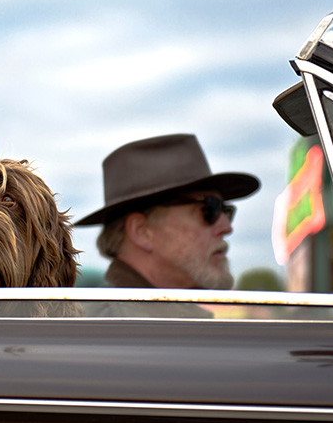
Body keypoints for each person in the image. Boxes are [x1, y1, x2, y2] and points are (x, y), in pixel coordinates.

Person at [75, 134, 259, 317]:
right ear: (142, 232)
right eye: (209, 209)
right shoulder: (98, 331)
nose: (226, 227)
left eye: (225, 211)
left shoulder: (176, 324)